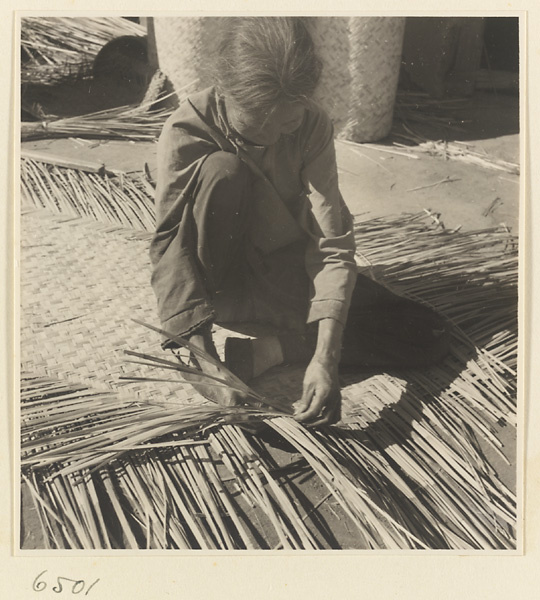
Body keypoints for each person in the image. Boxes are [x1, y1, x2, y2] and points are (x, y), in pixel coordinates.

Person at [150, 17, 450, 426]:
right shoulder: (187, 130)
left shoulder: (310, 124)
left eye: (288, 121)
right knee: (223, 170)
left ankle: (274, 350)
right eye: (261, 123)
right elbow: (171, 245)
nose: (278, 135)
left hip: (282, 281)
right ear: (226, 94)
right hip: (223, 286)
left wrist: (326, 356)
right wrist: (205, 355)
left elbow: (332, 240)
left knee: (424, 333)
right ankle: (205, 357)